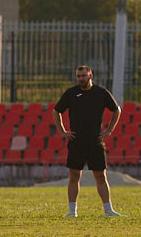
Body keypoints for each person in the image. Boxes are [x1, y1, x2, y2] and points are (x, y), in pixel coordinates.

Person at [53, 65, 123, 218]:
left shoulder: (101, 93)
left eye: (83, 76)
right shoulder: (71, 93)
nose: (80, 79)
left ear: (90, 75)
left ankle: (108, 210)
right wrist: (63, 131)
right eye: (78, 76)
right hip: (76, 142)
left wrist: (109, 130)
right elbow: (56, 111)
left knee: (101, 176)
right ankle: (72, 211)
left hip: (95, 142)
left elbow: (116, 110)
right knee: (74, 176)